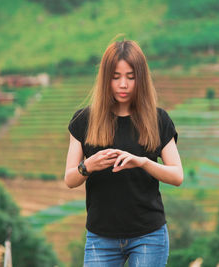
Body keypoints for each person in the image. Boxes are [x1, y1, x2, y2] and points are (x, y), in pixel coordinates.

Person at [64, 40, 183, 267]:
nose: (123, 84)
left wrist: (143, 163)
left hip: (149, 235)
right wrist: (88, 166)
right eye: (116, 77)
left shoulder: (158, 120)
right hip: (100, 237)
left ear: (141, 78)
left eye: (130, 76)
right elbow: (70, 179)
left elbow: (177, 176)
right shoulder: (83, 121)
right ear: (105, 78)